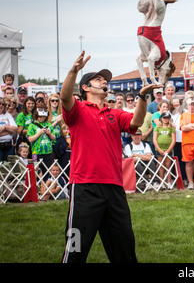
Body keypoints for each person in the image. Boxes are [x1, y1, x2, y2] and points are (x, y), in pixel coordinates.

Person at [60, 51, 159, 263]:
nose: (104, 82)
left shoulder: (114, 113)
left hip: (114, 187)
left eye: (106, 80)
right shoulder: (77, 109)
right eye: (98, 80)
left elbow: (136, 123)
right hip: (85, 187)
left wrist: (142, 97)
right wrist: (73, 71)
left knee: (124, 250)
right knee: (76, 249)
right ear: (85, 87)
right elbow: (65, 97)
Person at [27, 101, 55, 179]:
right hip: (35, 153)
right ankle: (38, 189)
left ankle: (45, 188)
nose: (42, 118)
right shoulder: (32, 126)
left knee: (47, 172)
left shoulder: (49, 125)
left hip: (48, 152)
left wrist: (49, 133)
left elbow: (54, 138)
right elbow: (30, 139)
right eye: (40, 116)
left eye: (43, 116)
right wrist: (39, 133)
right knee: (36, 172)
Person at [153, 111, 176, 189]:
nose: (166, 119)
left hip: (168, 149)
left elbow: (173, 140)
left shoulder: (171, 128)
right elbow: (154, 139)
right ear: (161, 119)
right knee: (161, 166)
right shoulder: (157, 127)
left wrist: (168, 150)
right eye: (164, 118)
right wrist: (159, 149)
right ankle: (161, 182)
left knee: (168, 166)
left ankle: (169, 182)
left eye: (167, 118)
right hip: (159, 149)